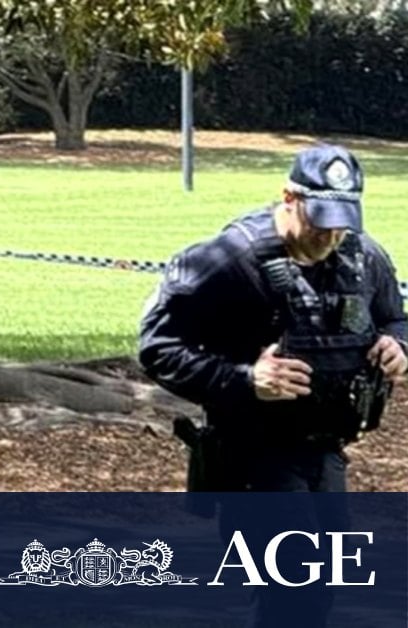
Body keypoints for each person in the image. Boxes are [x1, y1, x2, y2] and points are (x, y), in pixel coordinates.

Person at [138, 143, 406, 627]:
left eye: (342, 219)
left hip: (326, 452)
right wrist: (245, 380)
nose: (329, 233)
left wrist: (397, 344)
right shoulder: (227, 260)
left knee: (320, 590)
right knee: (295, 593)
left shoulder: (363, 256)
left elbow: (395, 318)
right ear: (288, 196)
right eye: (319, 218)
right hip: (252, 455)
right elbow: (158, 348)